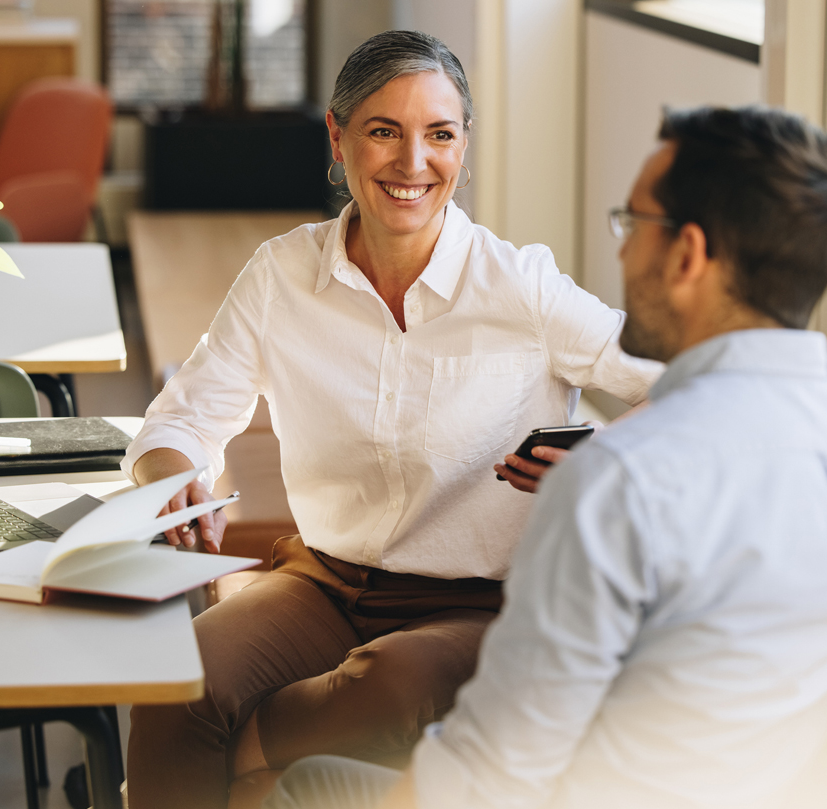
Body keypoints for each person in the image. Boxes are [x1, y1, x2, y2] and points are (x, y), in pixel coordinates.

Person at [262, 105, 827, 809]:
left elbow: (493, 771)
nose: (620, 250)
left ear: (687, 255)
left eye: (632, 224)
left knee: (311, 786)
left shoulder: (619, 482)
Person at [122, 30, 660, 809]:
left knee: (392, 684)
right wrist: (173, 481)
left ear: (463, 147)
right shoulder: (282, 275)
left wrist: (610, 453)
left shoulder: (522, 288)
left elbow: (689, 386)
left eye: (439, 134)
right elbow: (180, 419)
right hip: (324, 582)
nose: (414, 163)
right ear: (338, 139)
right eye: (384, 131)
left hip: (481, 602)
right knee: (183, 676)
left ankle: (241, 757)